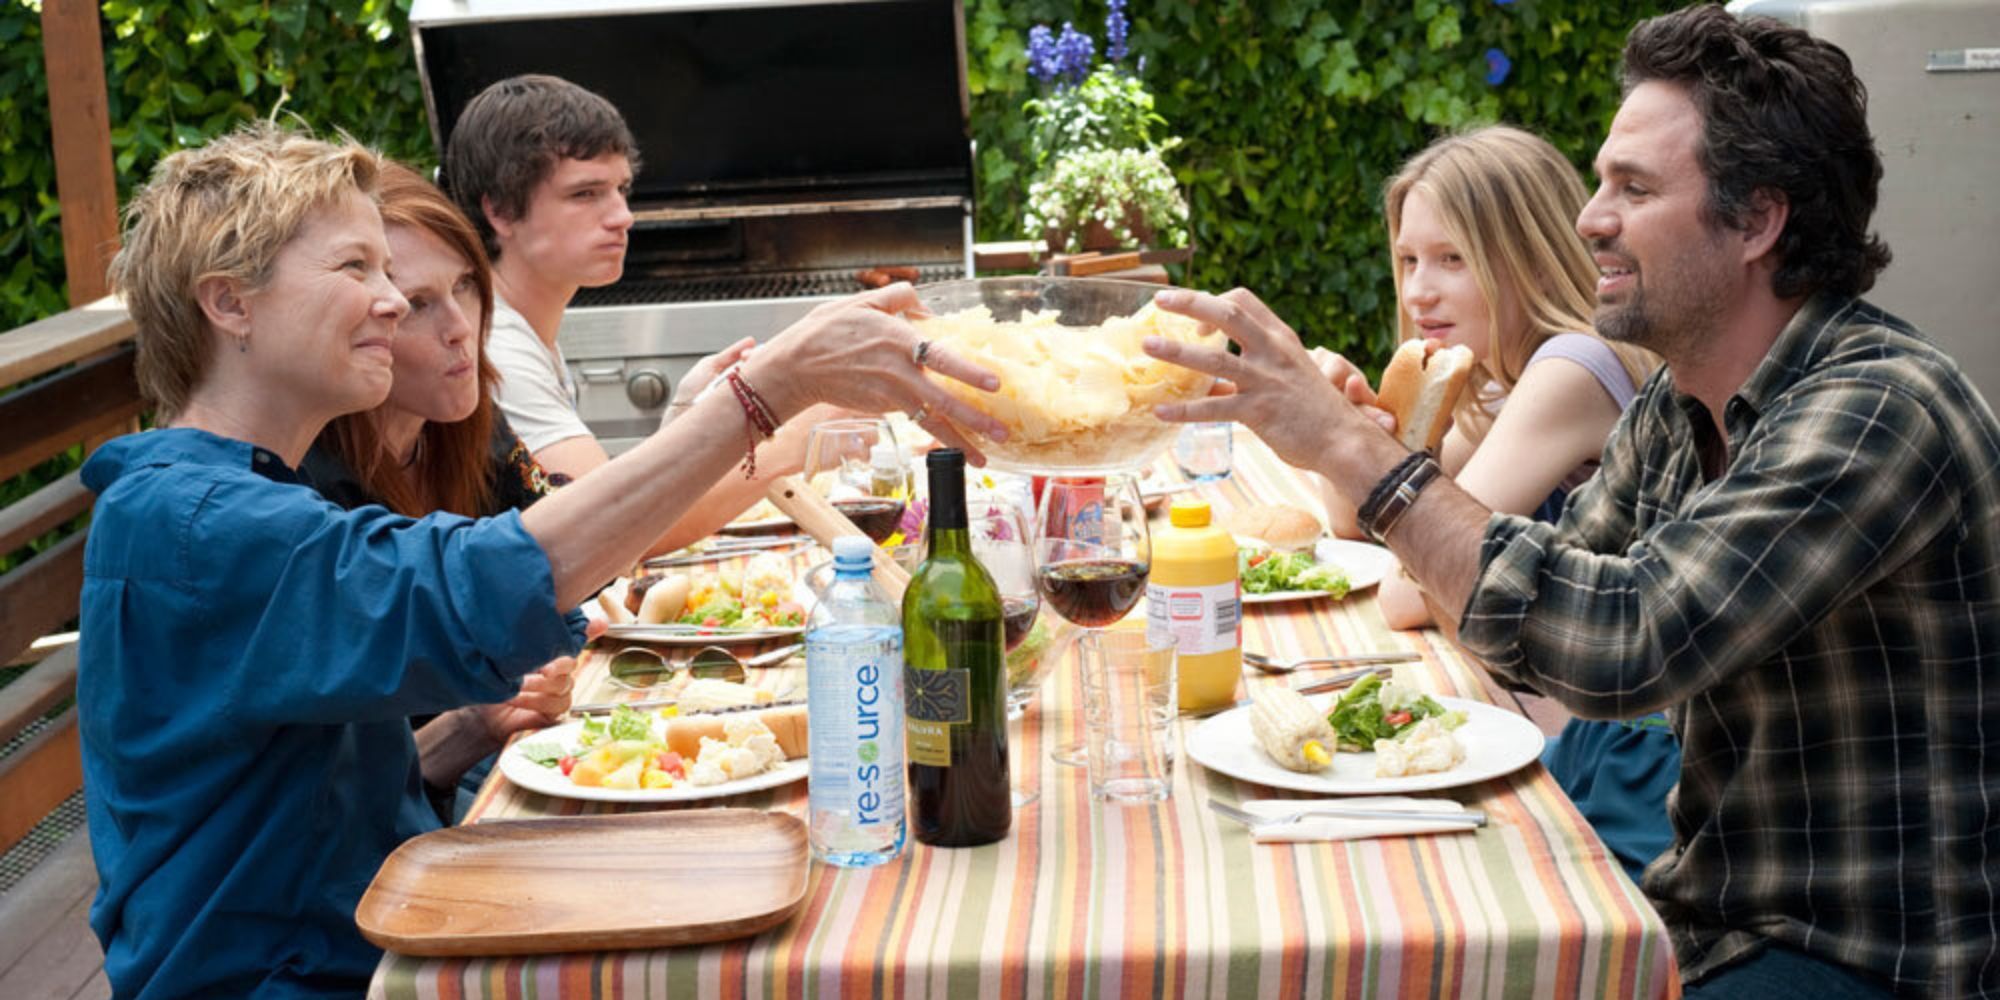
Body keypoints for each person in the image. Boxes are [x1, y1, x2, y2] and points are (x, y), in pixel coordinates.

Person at [1143, 6, 2000, 997]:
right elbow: (1526, 610)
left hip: (1854, 958)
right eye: (1599, 183)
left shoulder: (1874, 409)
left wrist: (1355, 452)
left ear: (1755, 219)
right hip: (1705, 909)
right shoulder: (1680, 405)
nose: (1590, 216)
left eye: (1631, 188)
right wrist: (1368, 471)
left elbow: (1620, 637)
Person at [80, 122, 1003, 998]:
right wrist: (764, 394)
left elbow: (312, 781)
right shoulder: (199, 524)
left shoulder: (227, 497)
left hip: (383, 933)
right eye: (356, 267)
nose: (396, 300)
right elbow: (476, 585)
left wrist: (457, 740)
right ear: (229, 301)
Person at [1308, 126, 1672, 882]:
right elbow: (1361, 528)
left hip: (1627, 763)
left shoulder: (1573, 366)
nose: (1418, 291)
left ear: (1528, 258)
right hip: (1554, 717)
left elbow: (1411, 588)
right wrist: (1346, 433)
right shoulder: (1487, 377)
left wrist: (1356, 457)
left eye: (1452, 259)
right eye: (1408, 259)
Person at [298, 160, 590, 822]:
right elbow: (343, 804)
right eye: (417, 304)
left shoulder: (462, 419)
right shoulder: (307, 488)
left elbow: (563, 544)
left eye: (465, 285)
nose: (461, 327)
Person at [442, 73, 822, 550]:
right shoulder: (495, 346)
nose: (622, 216)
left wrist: (686, 417)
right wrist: (804, 431)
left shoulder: (520, 327)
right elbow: (610, 533)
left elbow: (610, 495)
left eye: (622, 189)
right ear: (499, 211)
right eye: (586, 193)